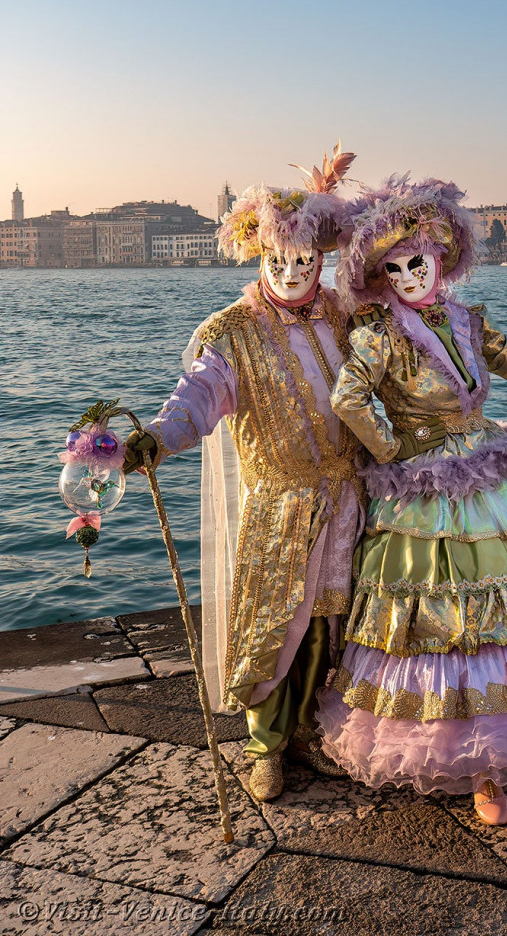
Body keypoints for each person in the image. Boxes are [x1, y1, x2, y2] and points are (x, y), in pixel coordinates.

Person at [315, 174, 507, 824]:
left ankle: (497, 759)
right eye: (396, 268)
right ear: (382, 273)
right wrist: (394, 450)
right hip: (423, 489)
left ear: (440, 259)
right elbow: (348, 398)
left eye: (418, 263)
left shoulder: (466, 318)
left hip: (489, 475)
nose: (408, 276)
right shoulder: (380, 332)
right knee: (440, 620)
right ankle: (463, 756)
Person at [124, 148, 365, 802]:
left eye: (304, 261)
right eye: (278, 262)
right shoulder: (232, 334)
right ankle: (266, 747)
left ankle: (310, 732)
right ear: (260, 257)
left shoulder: (344, 317)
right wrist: (157, 438)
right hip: (279, 507)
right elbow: (197, 398)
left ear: (320, 259)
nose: (290, 274)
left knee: (328, 623)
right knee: (273, 628)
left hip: (346, 502)